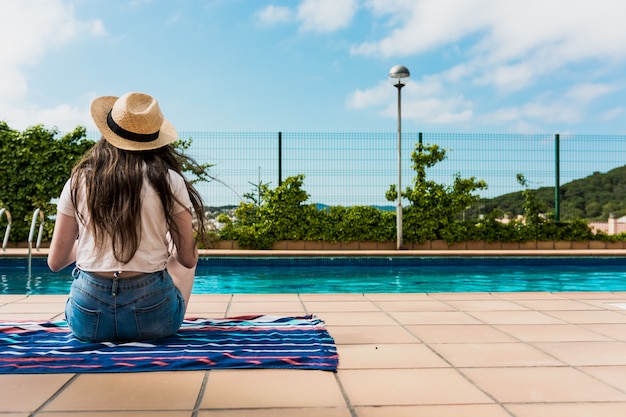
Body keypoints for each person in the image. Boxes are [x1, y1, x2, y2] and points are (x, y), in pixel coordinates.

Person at [48, 91, 207, 342]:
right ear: (154, 141)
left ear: (108, 134)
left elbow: (55, 262)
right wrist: (163, 242)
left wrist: (96, 239)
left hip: (88, 322)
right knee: (184, 252)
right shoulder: (170, 181)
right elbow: (186, 259)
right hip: (152, 319)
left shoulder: (78, 181)